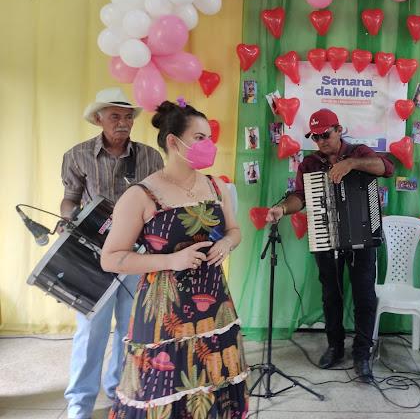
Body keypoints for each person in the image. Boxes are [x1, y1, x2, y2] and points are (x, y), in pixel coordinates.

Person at [101, 101, 249, 417]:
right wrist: (171, 260)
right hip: (164, 312)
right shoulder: (141, 195)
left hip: (215, 306)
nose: (208, 145)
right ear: (173, 141)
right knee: (162, 392)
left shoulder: (216, 186)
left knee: (213, 381)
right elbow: (111, 258)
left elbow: (235, 230)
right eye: (199, 137)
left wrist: (226, 242)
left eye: (209, 138)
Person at [265, 108, 394, 382]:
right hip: (326, 237)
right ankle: (335, 346)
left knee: (364, 296)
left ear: (338, 130)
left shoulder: (359, 152)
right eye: (315, 137)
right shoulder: (310, 164)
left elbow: (387, 168)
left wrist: (351, 164)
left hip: (362, 236)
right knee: (330, 295)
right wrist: (282, 209)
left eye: (325, 134)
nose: (321, 141)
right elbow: (300, 197)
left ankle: (362, 353)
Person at [60, 87, 164, 419]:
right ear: (98, 119)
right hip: (93, 254)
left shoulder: (150, 157)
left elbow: (160, 202)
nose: (123, 122)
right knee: (90, 331)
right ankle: (80, 404)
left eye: (128, 116)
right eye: (115, 116)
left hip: (137, 254)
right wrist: (67, 218)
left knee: (131, 329)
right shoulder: (77, 155)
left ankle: (120, 392)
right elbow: (70, 198)